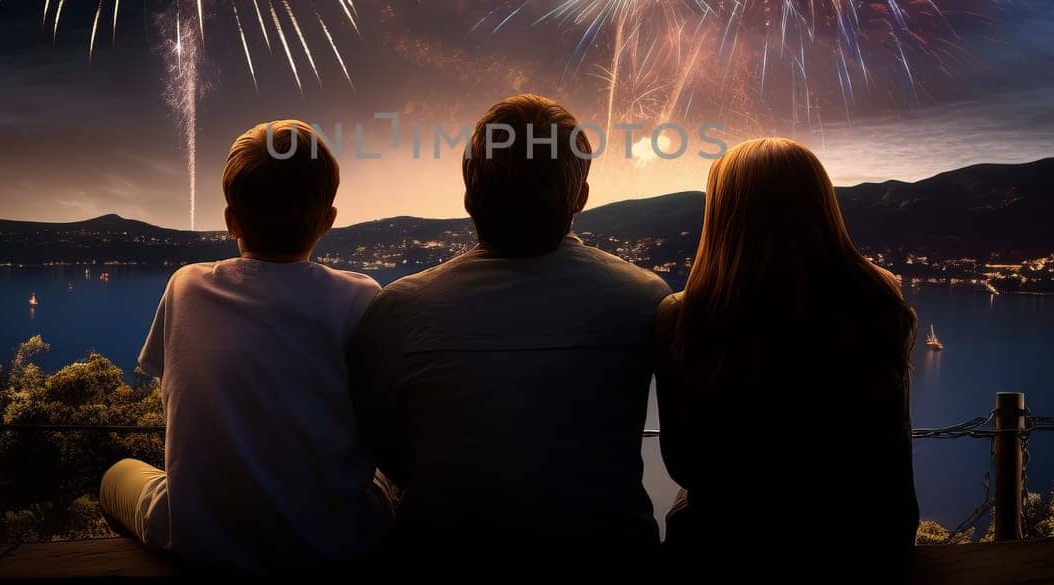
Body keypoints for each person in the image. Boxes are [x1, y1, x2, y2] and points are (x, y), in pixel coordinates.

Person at [349, 94, 670, 574]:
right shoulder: (643, 298)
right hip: (610, 558)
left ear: (468, 196)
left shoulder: (398, 309)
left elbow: (388, 451)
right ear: (580, 197)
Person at [100, 120, 390, 575]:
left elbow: (175, 393)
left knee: (114, 477)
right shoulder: (362, 296)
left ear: (231, 219)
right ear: (329, 220)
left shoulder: (186, 286)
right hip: (335, 542)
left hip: (197, 539)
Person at [654, 138, 918, 576]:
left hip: (727, 552)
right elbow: (893, 446)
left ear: (722, 213)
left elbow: (683, 461)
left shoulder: (683, 315)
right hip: (865, 548)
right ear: (821, 204)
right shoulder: (878, 299)